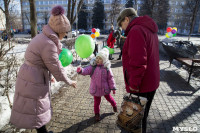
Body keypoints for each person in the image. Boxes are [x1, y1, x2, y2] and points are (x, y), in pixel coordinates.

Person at [10, 5, 76, 133]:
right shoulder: (49, 44)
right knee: (36, 109)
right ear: (59, 30)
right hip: (34, 79)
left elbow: (44, 62)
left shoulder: (43, 37)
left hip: (30, 76)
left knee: (36, 109)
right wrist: (69, 81)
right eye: (65, 31)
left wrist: (48, 75)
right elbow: (56, 67)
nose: (66, 34)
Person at [117, 8, 160, 133]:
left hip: (141, 84)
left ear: (127, 19)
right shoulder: (150, 30)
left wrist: (134, 85)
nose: (123, 28)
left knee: (134, 121)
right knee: (142, 117)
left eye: (122, 25)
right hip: (151, 81)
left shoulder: (136, 30)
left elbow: (138, 61)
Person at [77, 48, 117, 121]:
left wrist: (113, 87)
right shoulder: (93, 67)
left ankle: (114, 105)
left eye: (100, 59)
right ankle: (97, 114)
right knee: (96, 103)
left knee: (109, 98)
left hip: (105, 88)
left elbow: (110, 78)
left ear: (104, 60)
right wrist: (81, 70)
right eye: (97, 58)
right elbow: (86, 70)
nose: (97, 60)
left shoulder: (107, 68)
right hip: (96, 89)